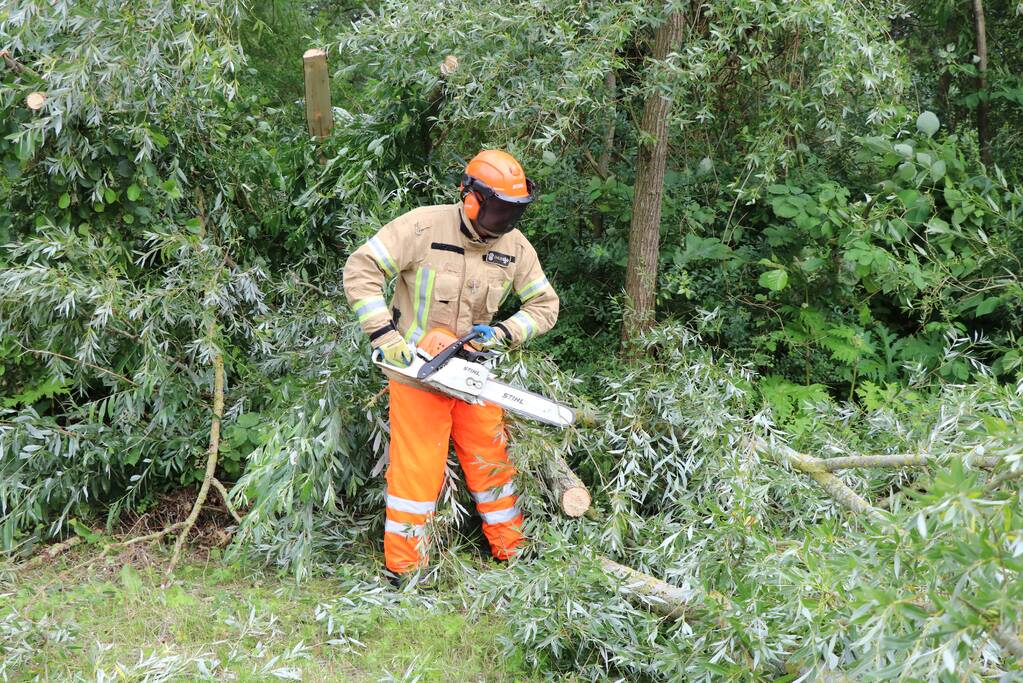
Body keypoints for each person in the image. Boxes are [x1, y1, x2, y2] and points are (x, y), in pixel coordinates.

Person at [343, 150, 559, 580]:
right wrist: (385, 337)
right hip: (418, 369)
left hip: (473, 369)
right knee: (418, 470)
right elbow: (361, 268)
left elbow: (545, 305)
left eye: (512, 212)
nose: (503, 221)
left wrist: (501, 333)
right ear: (471, 197)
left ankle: (511, 550)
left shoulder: (514, 246)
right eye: (498, 210)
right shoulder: (422, 227)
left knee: (491, 461)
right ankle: (405, 569)